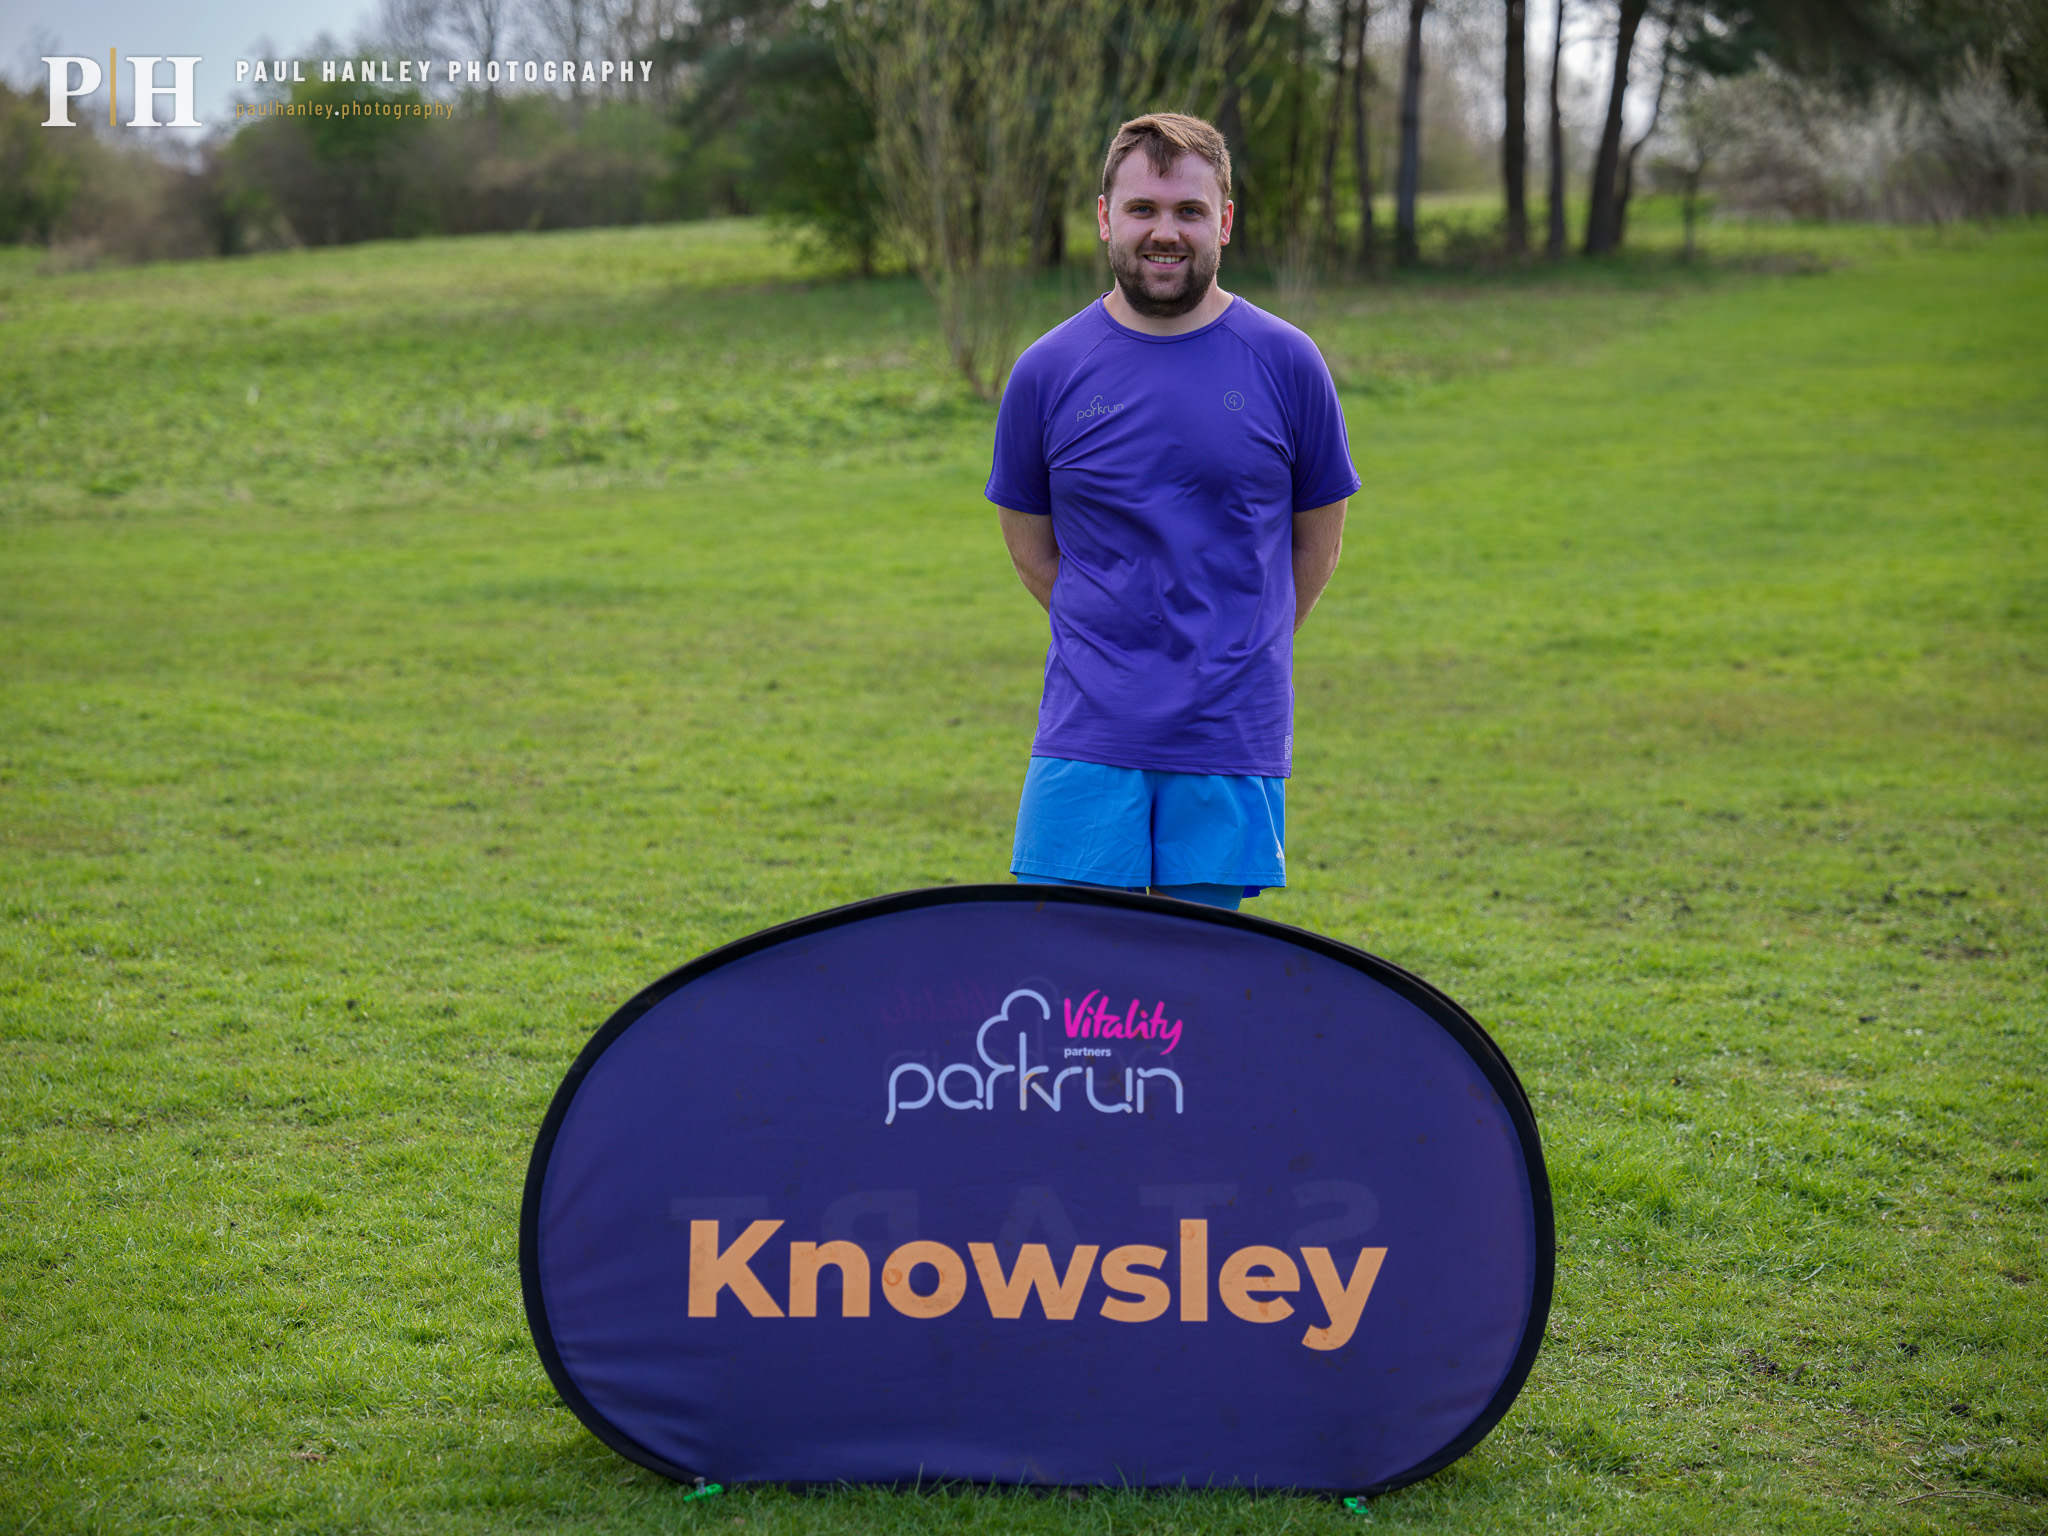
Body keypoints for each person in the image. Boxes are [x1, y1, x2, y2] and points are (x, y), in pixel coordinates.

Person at [985, 111, 1358, 913]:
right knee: (1073, 966)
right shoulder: (1046, 371)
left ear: (1224, 221)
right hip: (1087, 730)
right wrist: (1115, 638)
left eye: (1189, 210)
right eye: (1142, 209)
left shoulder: (1288, 362)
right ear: (1104, 217)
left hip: (1228, 732)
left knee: (1200, 970)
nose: (1166, 232)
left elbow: (1317, 546)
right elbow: (1030, 549)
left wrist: (1238, 645)